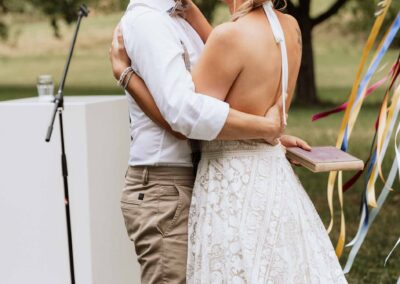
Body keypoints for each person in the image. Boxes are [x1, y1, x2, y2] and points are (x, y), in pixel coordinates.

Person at [109, 0, 316, 283]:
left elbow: (232, 70)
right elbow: (184, 118)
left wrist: (265, 136)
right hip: (165, 185)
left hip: (202, 181)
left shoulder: (185, 19)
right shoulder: (149, 21)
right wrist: (265, 127)